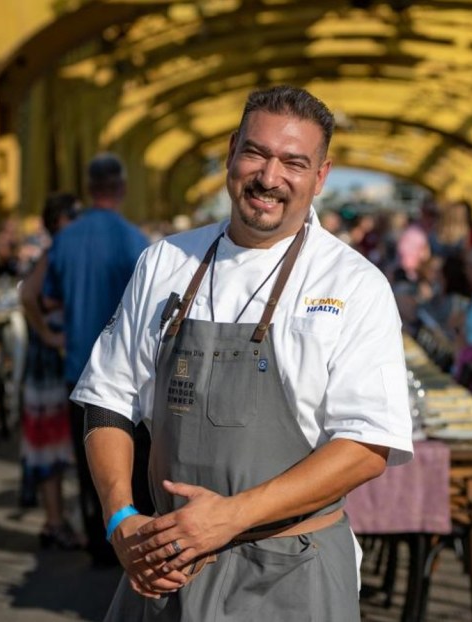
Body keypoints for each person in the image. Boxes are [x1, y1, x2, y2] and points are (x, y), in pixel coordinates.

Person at [71, 86, 413, 620]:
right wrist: (120, 520)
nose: (270, 177)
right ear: (232, 151)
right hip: (167, 565)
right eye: (256, 152)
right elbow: (107, 399)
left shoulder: (353, 284)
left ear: (321, 176)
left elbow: (368, 444)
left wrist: (231, 517)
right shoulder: (165, 261)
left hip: (293, 576)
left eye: (294, 163)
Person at [39, 153, 150, 566]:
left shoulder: (65, 240)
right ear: (121, 189)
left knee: (87, 463)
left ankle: (96, 541)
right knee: (127, 461)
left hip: (77, 369)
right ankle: (128, 535)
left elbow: (47, 296)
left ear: (89, 189)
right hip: (125, 375)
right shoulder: (136, 241)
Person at [18, 193, 83, 549]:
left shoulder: (60, 250)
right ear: (58, 222)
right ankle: (54, 521)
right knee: (50, 440)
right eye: (72, 215)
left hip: (49, 360)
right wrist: (49, 335)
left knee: (54, 440)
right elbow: (28, 295)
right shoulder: (56, 250)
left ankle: (56, 519)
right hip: (47, 363)